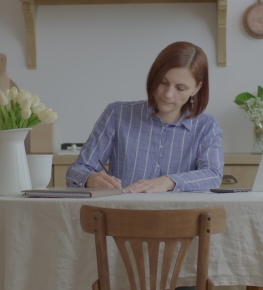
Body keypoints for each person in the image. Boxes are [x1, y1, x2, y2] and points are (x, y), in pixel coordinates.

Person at [66, 41, 224, 193]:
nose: (168, 94)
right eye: (163, 82)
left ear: (196, 88)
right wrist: (90, 179)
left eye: (180, 88)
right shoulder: (117, 114)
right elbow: (76, 171)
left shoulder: (207, 126)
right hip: (123, 215)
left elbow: (213, 175)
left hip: (180, 218)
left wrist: (168, 181)